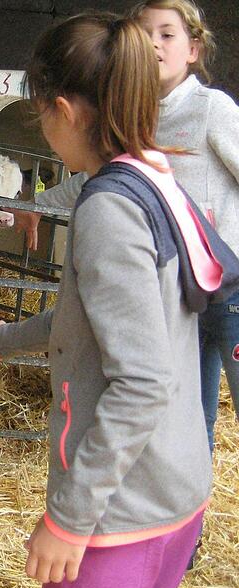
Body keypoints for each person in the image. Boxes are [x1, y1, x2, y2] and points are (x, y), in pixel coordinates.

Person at [0, 12, 213, 588]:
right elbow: (101, 320)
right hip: (176, 488)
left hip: (120, 517)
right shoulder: (155, 174)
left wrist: (68, 520)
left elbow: (142, 380)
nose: (44, 131)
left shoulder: (108, 212)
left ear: (65, 110)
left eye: (41, 113)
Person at [28, 0, 239, 456]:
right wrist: (35, 203)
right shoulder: (133, 116)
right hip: (179, 289)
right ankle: (190, 511)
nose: (153, 45)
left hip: (227, 282)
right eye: (144, 34)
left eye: (167, 34)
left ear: (194, 50)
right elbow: (92, 178)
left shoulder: (212, 109)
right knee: (190, 411)